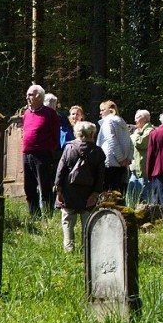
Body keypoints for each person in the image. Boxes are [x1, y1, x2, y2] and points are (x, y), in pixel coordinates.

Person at [55, 120, 106, 252]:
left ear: (77, 133)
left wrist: (59, 190)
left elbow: (60, 170)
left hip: (69, 191)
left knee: (67, 220)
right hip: (88, 192)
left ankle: (69, 248)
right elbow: (100, 177)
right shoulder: (98, 152)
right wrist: (95, 194)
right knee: (87, 222)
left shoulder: (69, 148)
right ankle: (86, 250)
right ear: (92, 134)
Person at [20, 84, 64, 219]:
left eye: (30, 95)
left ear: (39, 96)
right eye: (27, 95)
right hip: (27, 154)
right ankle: (34, 216)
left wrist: (49, 150)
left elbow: (55, 135)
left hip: (42, 155)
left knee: (44, 186)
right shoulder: (27, 114)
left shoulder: (50, 114)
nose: (27, 97)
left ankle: (48, 216)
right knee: (29, 187)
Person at [96, 101, 133, 194]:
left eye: (103, 110)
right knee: (119, 192)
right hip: (122, 164)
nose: (100, 112)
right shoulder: (123, 123)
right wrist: (128, 159)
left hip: (110, 162)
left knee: (108, 194)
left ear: (111, 110)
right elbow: (130, 142)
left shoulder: (108, 122)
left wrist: (120, 159)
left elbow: (111, 140)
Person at [127, 109, 152, 204]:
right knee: (131, 194)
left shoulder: (149, 130)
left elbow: (141, 143)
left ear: (144, 118)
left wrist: (135, 135)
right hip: (136, 168)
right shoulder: (140, 131)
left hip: (143, 169)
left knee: (144, 197)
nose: (135, 120)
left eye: (137, 118)